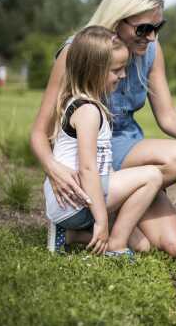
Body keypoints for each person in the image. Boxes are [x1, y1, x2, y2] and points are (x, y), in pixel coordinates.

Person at [31, 0, 176, 257]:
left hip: (126, 148)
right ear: (118, 21)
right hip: (88, 157)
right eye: (144, 28)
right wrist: (53, 168)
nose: (151, 36)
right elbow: (40, 132)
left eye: (157, 28)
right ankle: (104, 216)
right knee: (153, 239)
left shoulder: (151, 50)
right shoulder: (76, 53)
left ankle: (119, 202)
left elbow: (168, 117)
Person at [45, 26, 163, 258]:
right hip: (75, 203)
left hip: (72, 203)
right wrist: (101, 220)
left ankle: (69, 235)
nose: (123, 75)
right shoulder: (87, 111)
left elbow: (100, 163)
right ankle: (115, 245)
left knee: (143, 246)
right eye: (117, 70)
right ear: (94, 71)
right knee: (153, 176)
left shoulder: (85, 104)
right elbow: (88, 168)